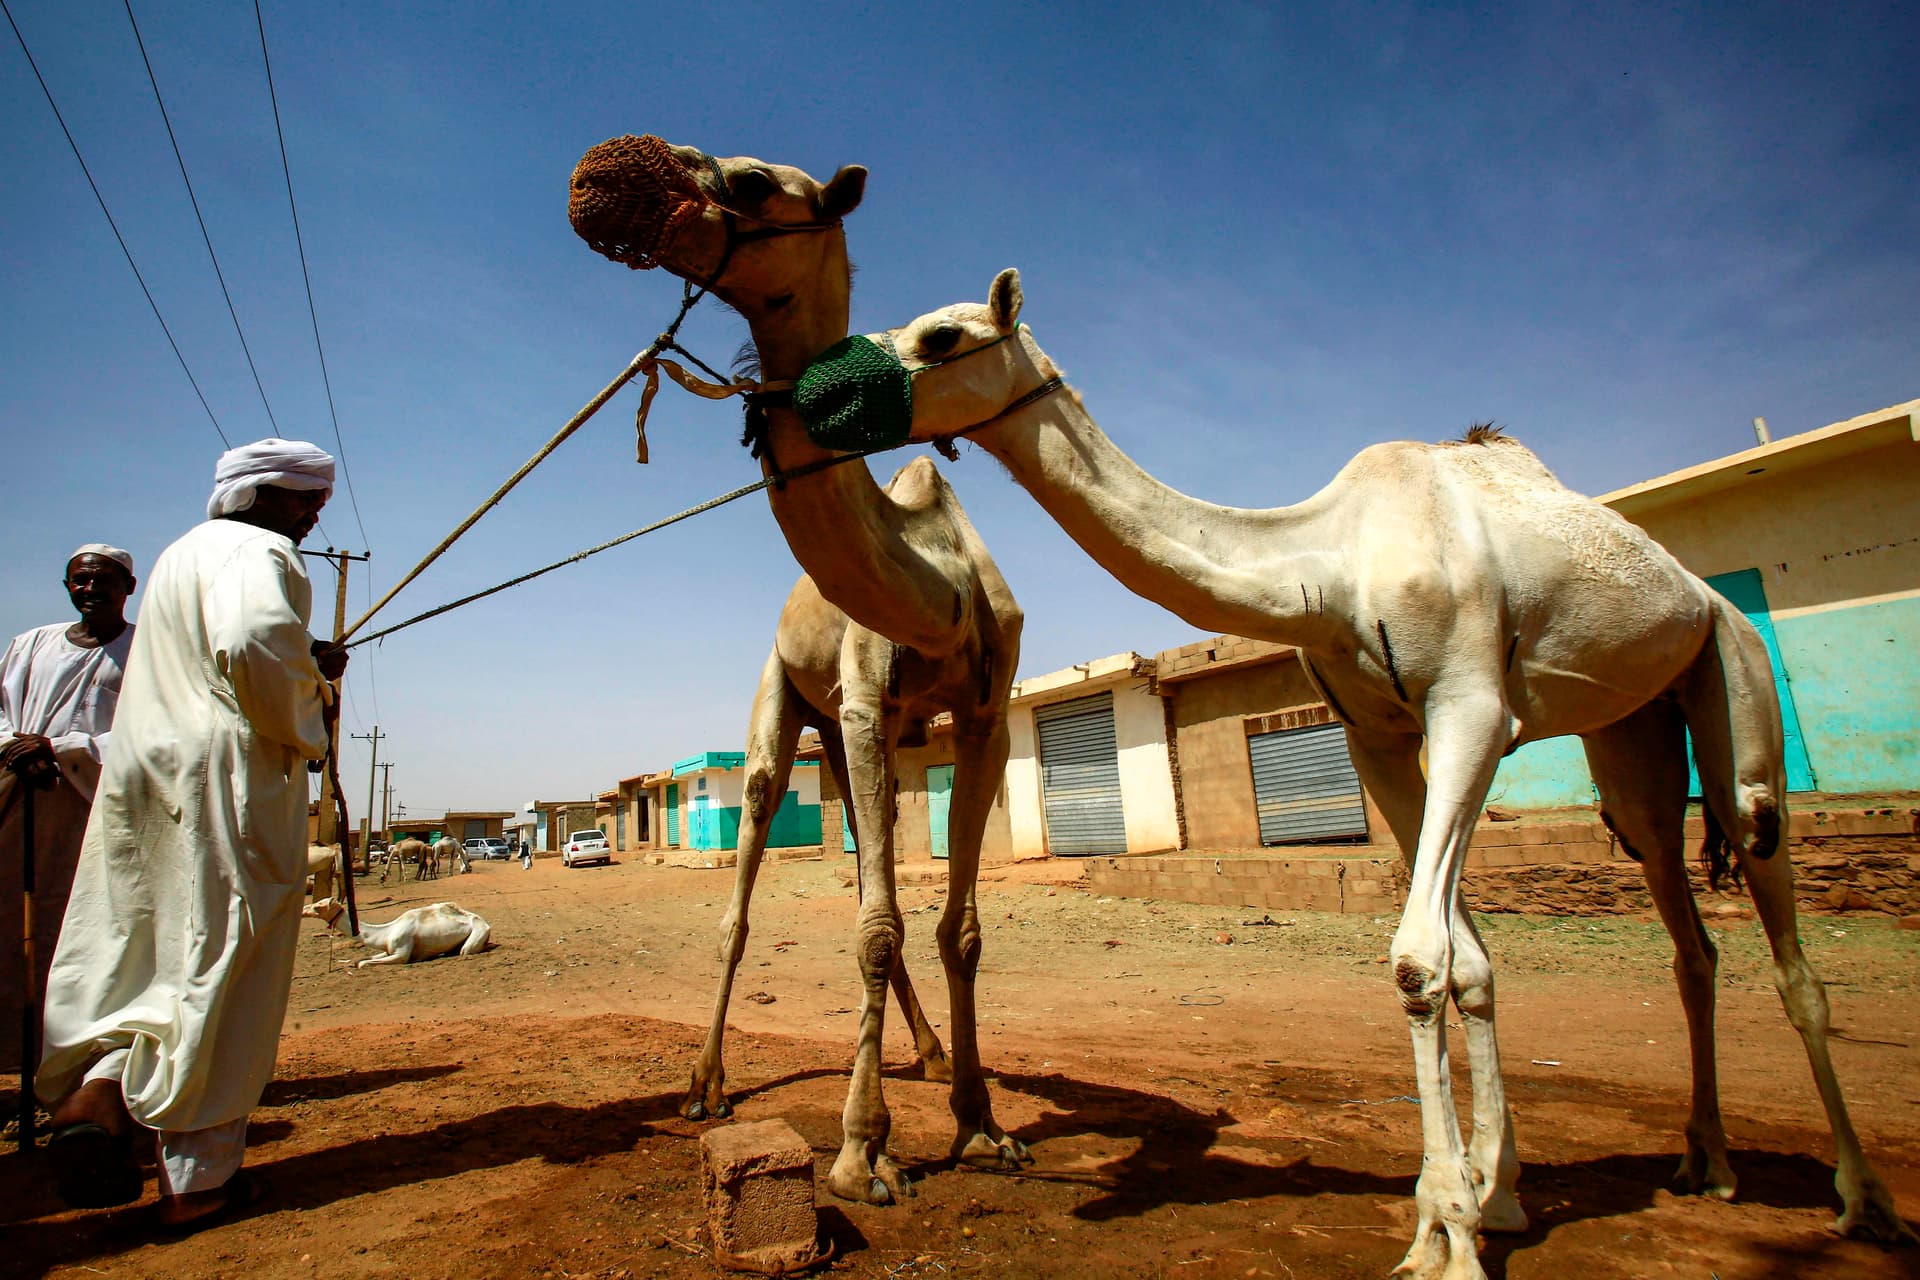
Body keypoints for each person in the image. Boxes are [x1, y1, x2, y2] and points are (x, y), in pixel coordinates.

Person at [36, 440, 347, 1231]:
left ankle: (101, 1089)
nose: (313, 515)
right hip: (222, 778)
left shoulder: (180, 554)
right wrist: (312, 697)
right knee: (223, 957)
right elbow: (249, 646)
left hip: (144, 770)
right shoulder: (263, 551)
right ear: (261, 495)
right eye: (304, 498)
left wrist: (301, 657)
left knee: (144, 949)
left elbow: (226, 647)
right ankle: (199, 1182)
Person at [1, 545, 138, 1066]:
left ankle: (73, 1058)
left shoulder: (146, 649)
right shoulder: (29, 646)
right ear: (68, 586)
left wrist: (63, 748)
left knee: (81, 929)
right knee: (13, 922)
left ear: (129, 587)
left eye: (103, 581)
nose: (90, 590)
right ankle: (16, 1055)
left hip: (94, 803)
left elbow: (154, 729)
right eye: (80, 581)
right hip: (19, 796)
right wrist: (18, 746)